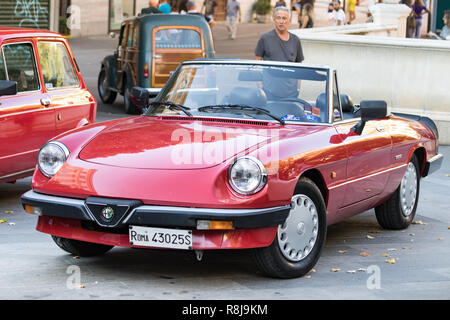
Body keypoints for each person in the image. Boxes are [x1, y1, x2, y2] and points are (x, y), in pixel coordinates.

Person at [254, 6, 304, 100]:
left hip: (291, 94)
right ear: (274, 20)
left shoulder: (295, 40)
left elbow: (299, 68)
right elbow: (257, 64)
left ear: (288, 20)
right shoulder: (265, 38)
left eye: (284, 18)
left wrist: (297, 89)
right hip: (269, 92)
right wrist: (260, 87)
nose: (281, 21)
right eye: (278, 18)